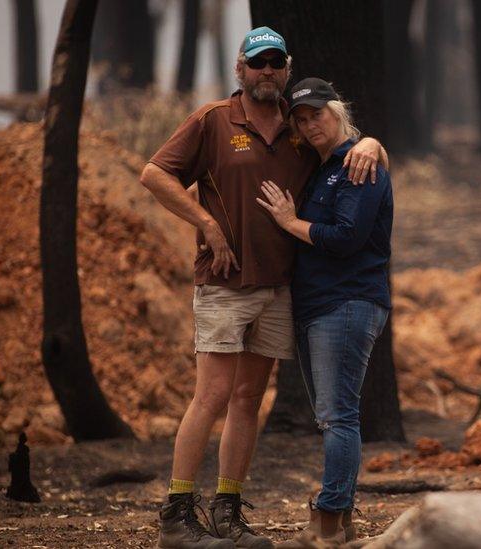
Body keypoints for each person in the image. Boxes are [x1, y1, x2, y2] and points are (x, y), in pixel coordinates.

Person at [140, 28, 387, 549]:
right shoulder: (211, 120)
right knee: (211, 395)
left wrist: (372, 141)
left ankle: (227, 511)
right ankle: (176, 516)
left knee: (249, 399)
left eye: (276, 62)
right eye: (257, 63)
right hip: (224, 282)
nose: (266, 71)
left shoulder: (301, 133)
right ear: (240, 69)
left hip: (279, 288)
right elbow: (154, 174)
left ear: (287, 67)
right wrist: (206, 224)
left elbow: (345, 154)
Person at [257, 78, 392, 545]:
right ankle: (342, 523)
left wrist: (290, 223)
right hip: (319, 306)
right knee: (333, 416)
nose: (310, 124)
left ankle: (327, 521)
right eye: (302, 118)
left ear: (338, 112)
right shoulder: (321, 168)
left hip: (348, 302)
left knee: (339, 416)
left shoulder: (358, 163)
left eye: (318, 113)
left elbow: (347, 237)